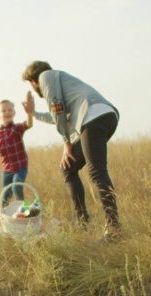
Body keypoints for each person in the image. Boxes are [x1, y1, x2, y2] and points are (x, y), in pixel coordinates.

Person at [21, 60, 121, 240]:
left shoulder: (45, 76)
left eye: (30, 84)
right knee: (68, 168)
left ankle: (114, 229)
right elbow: (59, 115)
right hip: (103, 116)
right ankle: (82, 222)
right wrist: (33, 114)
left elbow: (56, 105)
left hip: (93, 117)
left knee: (97, 172)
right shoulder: (62, 83)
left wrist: (66, 142)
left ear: (33, 80)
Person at [0, 97, 33, 207]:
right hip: (7, 169)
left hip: (21, 166)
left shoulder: (17, 128)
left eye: (10, 110)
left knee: (16, 187)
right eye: (3, 111)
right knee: (5, 194)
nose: (7, 112)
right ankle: (3, 217)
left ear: (14, 113)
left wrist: (29, 113)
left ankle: (23, 209)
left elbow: (28, 124)